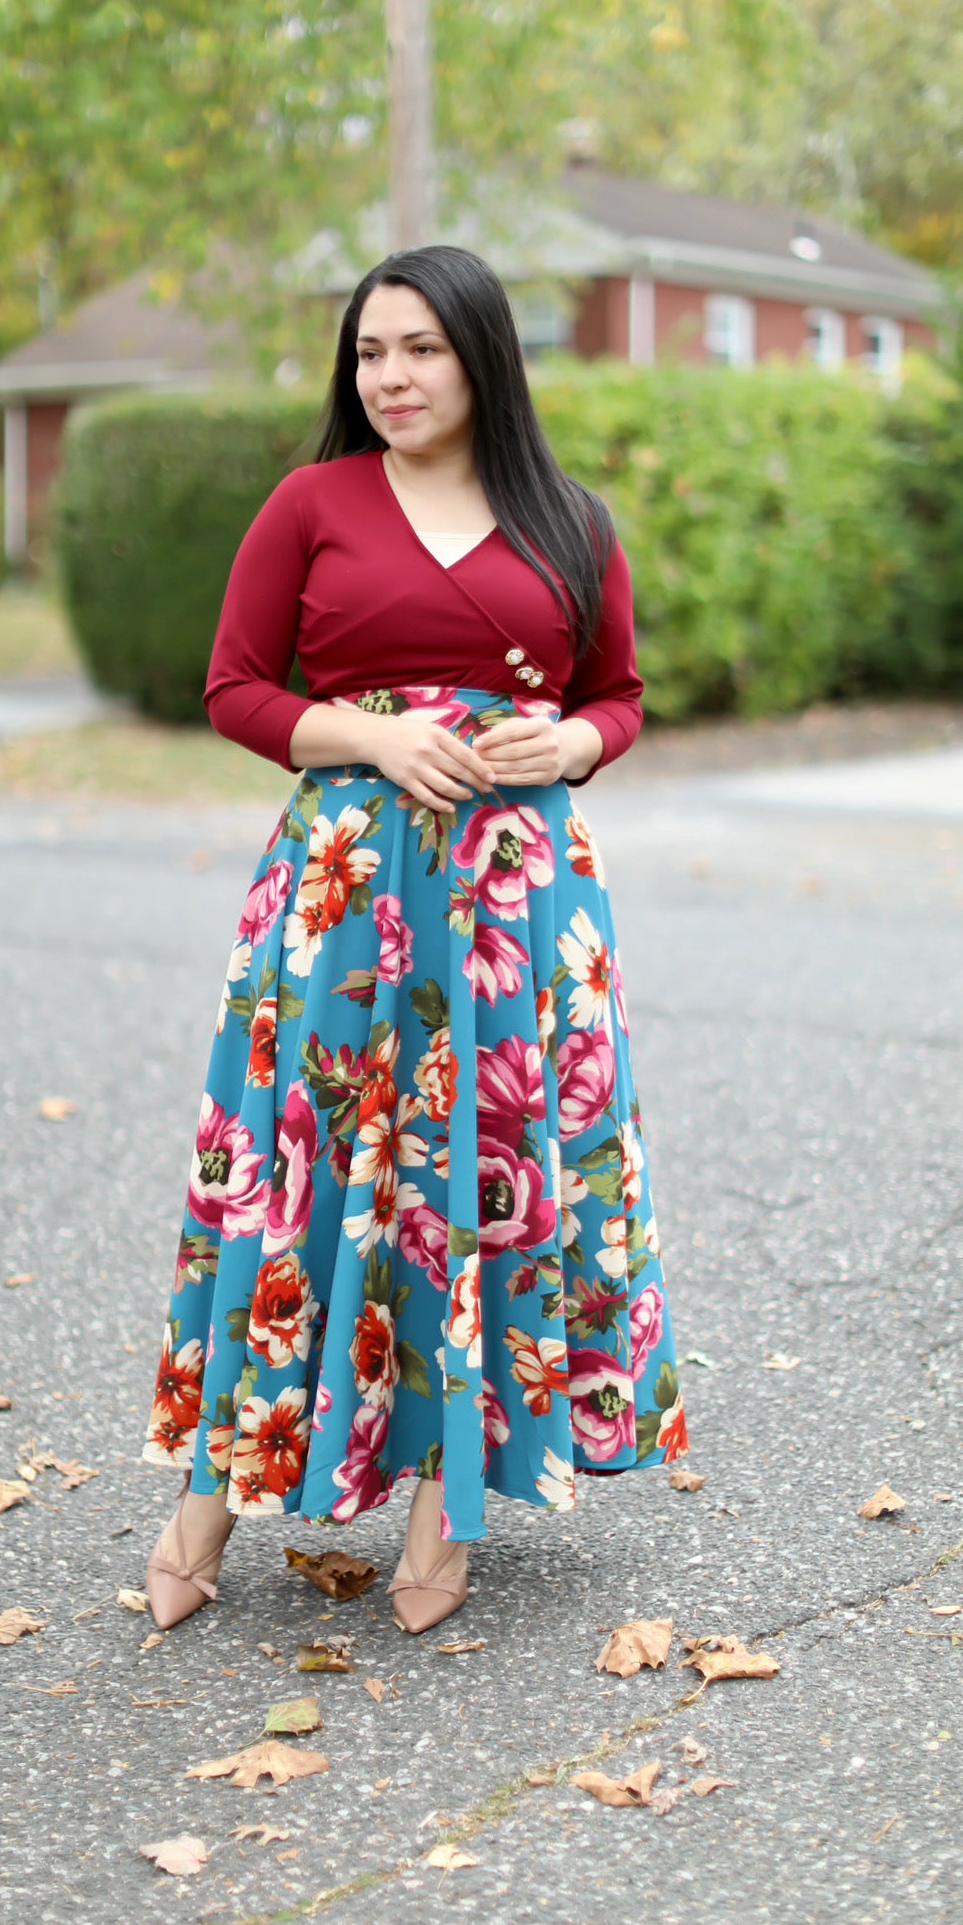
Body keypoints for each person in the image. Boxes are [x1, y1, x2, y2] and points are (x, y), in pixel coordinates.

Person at [141, 244, 689, 1636]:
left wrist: (566, 738)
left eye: (419, 351)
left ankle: (447, 1508)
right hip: (341, 891)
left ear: (482, 358)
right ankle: (216, 1486)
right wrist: (377, 734)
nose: (388, 377)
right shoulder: (309, 503)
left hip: (516, 905)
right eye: (369, 353)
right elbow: (234, 689)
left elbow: (616, 697)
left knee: (486, 1175)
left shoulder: (568, 519)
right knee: (309, 1163)